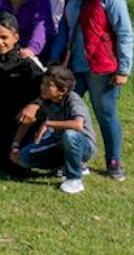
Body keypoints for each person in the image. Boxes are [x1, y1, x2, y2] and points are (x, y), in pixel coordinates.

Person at [46, 0, 134, 182]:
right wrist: (54, 62)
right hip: (74, 67)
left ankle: (114, 161)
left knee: (105, 113)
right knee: (65, 109)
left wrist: (124, 69)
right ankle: (71, 158)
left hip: (101, 66)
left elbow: (124, 32)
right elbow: (65, 30)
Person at [11, 66, 96, 194]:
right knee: (21, 158)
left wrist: (49, 123)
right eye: (42, 83)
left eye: (48, 85)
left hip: (83, 145)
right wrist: (16, 143)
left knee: (70, 135)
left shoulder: (73, 99)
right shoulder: (46, 99)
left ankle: (74, 179)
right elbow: (27, 120)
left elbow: (78, 125)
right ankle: (66, 165)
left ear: (62, 90)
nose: (42, 87)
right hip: (58, 143)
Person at [0, 12, 45, 174]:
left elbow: (50, 92)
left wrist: (34, 105)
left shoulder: (27, 63)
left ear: (16, 37)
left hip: (24, 123)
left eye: (4, 37)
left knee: (17, 167)